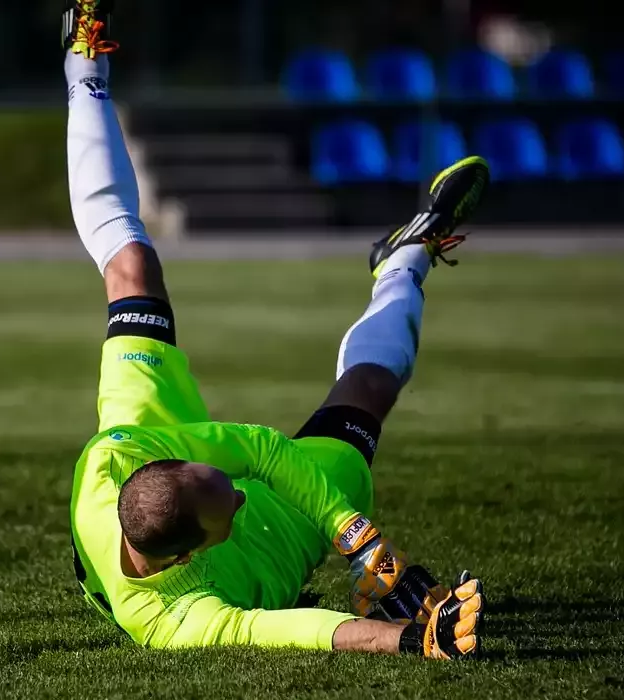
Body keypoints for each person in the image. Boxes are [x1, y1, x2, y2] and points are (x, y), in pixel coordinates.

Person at [64, 0, 487, 660]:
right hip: (268, 544)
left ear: (168, 462)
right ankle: (405, 258)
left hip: (148, 435)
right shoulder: (171, 619)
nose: (239, 486)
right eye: (226, 498)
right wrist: (410, 637)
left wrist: (362, 542)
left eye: (215, 475)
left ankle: (82, 72)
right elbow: (288, 629)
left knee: (133, 267)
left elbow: (257, 451)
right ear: (202, 546)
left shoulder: (109, 462)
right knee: (367, 392)